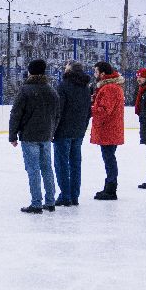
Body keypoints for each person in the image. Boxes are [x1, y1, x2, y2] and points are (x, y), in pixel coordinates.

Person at [8, 58, 59, 214]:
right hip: (46, 136)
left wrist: (12, 135)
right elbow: (57, 115)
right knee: (47, 168)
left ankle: (36, 203)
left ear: (30, 72)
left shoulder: (25, 90)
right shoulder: (51, 90)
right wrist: (52, 132)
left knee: (33, 169)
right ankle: (50, 202)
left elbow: (16, 114)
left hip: (30, 136)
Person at [52, 62, 92, 206]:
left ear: (69, 70)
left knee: (62, 164)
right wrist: (83, 128)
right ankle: (74, 195)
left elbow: (58, 111)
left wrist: (53, 130)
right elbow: (89, 112)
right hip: (78, 131)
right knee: (75, 164)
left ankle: (65, 195)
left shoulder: (63, 86)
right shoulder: (86, 88)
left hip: (63, 131)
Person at [90, 61, 125, 201]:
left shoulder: (109, 88)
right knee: (109, 158)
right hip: (110, 129)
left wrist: (90, 108)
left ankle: (111, 189)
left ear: (103, 73)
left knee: (109, 158)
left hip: (108, 130)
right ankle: (109, 187)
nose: (95, 74)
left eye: (96, 72)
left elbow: (104, 111)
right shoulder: (110, 87)